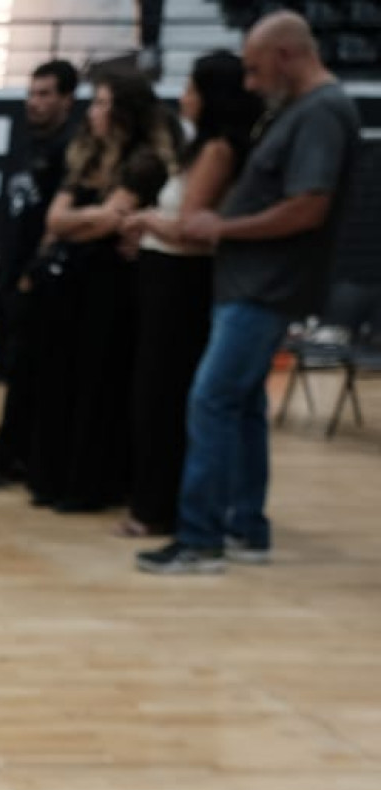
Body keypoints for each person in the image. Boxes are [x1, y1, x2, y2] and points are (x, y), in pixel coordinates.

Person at [138, 12, 361, 574]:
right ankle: (245, 527)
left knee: (211, 401)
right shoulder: (299, 110)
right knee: (241, 408)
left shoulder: (322, 112)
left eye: (258, 71)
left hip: (265, 287)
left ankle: (200, 538)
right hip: (250, 282)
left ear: (287, 55)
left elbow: (308, 207)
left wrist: (222, 227)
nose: (252, 85)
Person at [116, 52, 258, 539]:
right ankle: (154, 503)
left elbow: (190, 228)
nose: (184, 98)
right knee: (151, 395)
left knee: (163, 398)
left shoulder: (219, 148)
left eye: (192, 90)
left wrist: (140, 220)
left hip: (182, 284)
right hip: (164, 279)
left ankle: (160, 509)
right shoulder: (201, 147)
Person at [22, 67, 174, 513]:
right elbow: (59, 220)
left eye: (104, 103)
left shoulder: (144, 161)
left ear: (125, 111)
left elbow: (108, 222)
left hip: (112, 287)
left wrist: (85, 224)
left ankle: (89, 484)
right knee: (60, 380)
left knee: (98, 382)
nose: (95, 112)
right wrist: (92, 223)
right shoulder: (87, 157)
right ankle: (50, 477)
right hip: (71, 284)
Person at [0, 60, 79, 491]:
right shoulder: (28, 146)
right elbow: (15, 214)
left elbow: (56, 222)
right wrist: (0, 262)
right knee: (14, 374)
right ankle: (17, 455)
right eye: (32, 93)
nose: (35, 102)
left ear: (67, 99)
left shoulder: (70, 150)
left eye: (46, 94)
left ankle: (11, 457)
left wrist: (32, 272)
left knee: (32, 374)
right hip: (9, 275)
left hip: (42, 282)